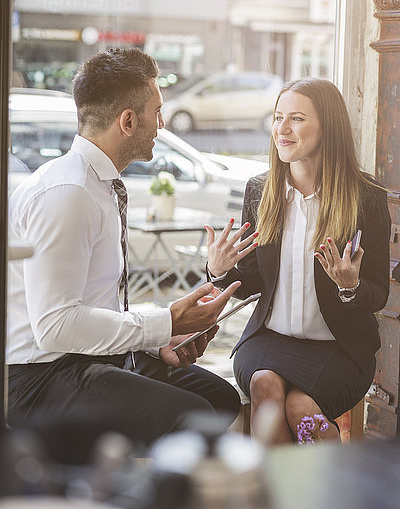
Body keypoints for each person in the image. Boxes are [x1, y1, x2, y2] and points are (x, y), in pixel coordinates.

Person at [7, 48, 241, 448]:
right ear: (129, 121)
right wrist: (165, 321)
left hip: (83, 360)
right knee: (194, 417)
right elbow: (54, 328)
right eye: (157, 111)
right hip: (37, 377)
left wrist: (156, 342)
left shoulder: (98, 184)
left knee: (221, 399)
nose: (163, 124)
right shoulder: (69, 193)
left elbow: (95, 302)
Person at [204, 77, 391, 444]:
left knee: (301, 408)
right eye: (278, 117)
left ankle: (318, 484)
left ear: (328, 127)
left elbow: (379, 294)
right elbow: (254, 280)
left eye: (297, 119)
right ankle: (285, 492)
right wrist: (219, 270)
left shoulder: (366, 197)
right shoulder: (261, 190)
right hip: (268, 341)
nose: (282, 130)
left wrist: (350, 287)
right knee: (265, 386)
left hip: (340, 348)